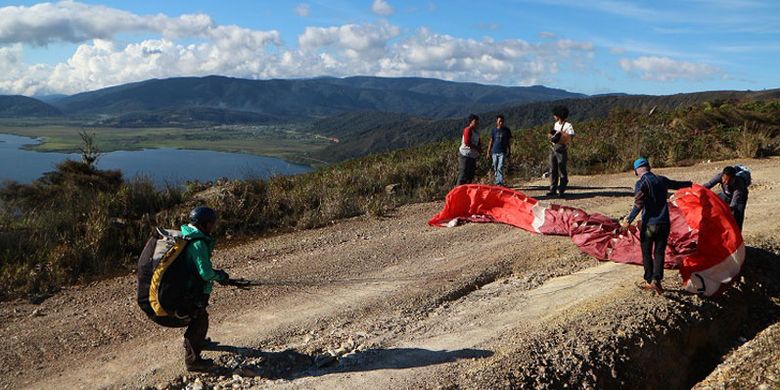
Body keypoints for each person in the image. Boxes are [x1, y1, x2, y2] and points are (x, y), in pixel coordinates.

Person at [620, 158, 692, 295]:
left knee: (647, 253)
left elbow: (638, 204)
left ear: (637, 170)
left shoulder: (641, 183)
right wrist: (693, 185)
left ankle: (648, 280)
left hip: (649, 225)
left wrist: (628, 220)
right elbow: (678, 185)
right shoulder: (661, 179)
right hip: (664, 223)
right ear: (649, 167)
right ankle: (657, 281)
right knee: (659, 253)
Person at [180, 206, 230, 371]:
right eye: (212, 223)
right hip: (192, 290)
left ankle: (197, 341)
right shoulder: (198, 243)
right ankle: (193, 361)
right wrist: (220, 276)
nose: (213, 226)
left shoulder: (187, 234)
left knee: (199, 316)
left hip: (187, 286)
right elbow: (206, 273)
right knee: (199, 320)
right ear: (205, 224)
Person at [702, 166, 749, 231]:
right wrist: (696, 191)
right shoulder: (719, 176)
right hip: (725, 195)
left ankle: (737, 237)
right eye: (725, 179)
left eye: (729, 180)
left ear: (734, 178)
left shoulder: (739, 184)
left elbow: (734, 202)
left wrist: (728, 210)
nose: (726, 182)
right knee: (714, 206)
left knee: (737, 217)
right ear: (722, 175)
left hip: (740, 199)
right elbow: (707, 185)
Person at [547, 105, 575, 197]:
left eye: (555, 115)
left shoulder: (568, 125)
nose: (554, 116)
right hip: (553, 148)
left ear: (558, 115)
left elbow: (571, 135)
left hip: (561, 149)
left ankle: (561, 189)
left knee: (561, 169)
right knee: (552, 168)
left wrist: (561, 135)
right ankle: (553, 189)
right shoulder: (556, 124)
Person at [487, 114, 512, 186]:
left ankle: (499, 182)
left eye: (502, 121)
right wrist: (488, 152)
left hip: (502, 151)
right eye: (499, 121)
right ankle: (497, 180)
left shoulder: (507, 130)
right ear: (497, 122)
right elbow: (491, 141)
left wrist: (509, 151)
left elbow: (508, 142)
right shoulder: (494, 130)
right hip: (494, 151)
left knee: (500, 166)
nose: (501, 123)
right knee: (495, 166)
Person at [457, 114, 481, 185]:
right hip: (465, 154)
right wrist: (477, 148)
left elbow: (479, 142)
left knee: (470, 175)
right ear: (470, 122)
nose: (476, 123)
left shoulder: (476, 132)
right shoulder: (467, 130)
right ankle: (458, 191)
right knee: (463, 174)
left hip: (472, 156)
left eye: (477, 122)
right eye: (475, 121)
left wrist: (479, 149)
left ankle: (466, 192)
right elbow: (467, 142)